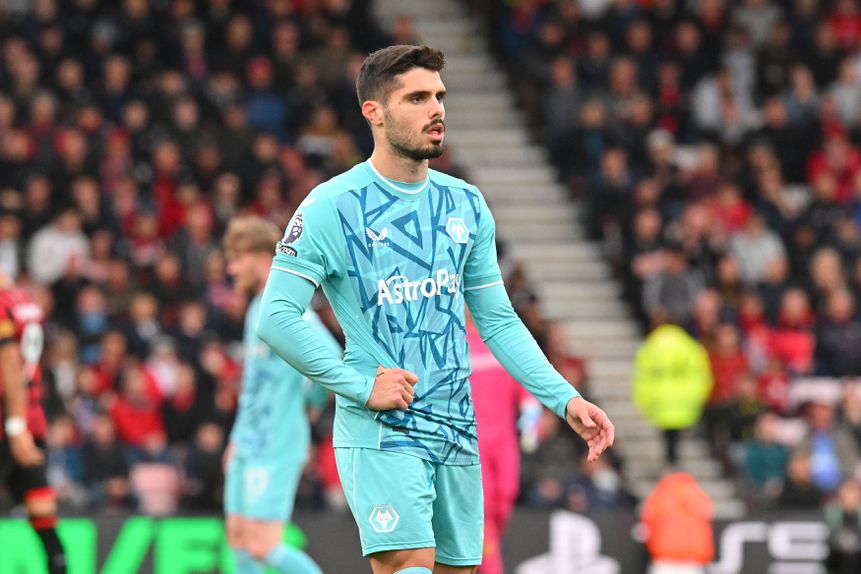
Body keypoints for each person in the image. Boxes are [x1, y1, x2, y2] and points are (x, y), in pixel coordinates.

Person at [256, 44, 615, 574]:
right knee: (408, 565)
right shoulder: (331, 206)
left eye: (439, 96)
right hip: (384, 429)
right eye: (417, 98)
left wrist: (564, 398)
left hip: (457, 429)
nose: (436, 109)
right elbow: (277, 317)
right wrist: (359, 385)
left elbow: (497, 321)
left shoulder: (465, 204)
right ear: (374, 112)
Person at [222, 216, 339, 574]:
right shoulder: (256, 308)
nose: (231, 268)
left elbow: (331, 358)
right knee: (238, 538)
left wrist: (311, 404)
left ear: (261, 257)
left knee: (263, 544)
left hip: (276, 443)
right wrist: (237, 439)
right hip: (248, 441)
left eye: (238, 258)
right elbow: (254, 385)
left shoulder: (289, 309)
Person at [0, 273, 67, 573]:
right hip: (31, 416)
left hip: (7, 420)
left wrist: (15, 427)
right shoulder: (25, 300)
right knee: (42, 513)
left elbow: (10, 364)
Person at [466, 316, 539, 574]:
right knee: (483, 507)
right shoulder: (452, 341)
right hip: (471, 444)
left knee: (506, 496)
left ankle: (479, 556)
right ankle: (490, 567)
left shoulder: (502, 341)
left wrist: (530, 424)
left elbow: (527, 386)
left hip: (504, 441)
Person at [633, 318, 713, 466]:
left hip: (660, 399)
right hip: (684, 400)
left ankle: (669, 462)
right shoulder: (690, 345)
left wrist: (643, 400)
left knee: (667, 435)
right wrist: (699, 395)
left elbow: (643, 376)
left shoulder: (650, 346)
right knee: (677, 434)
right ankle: (675, 461)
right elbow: (701, 374)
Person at [641, 471, 714, 574]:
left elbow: (647, 527)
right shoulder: (699, 495)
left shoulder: (658, 496)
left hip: (665, 558)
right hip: (693, 559)